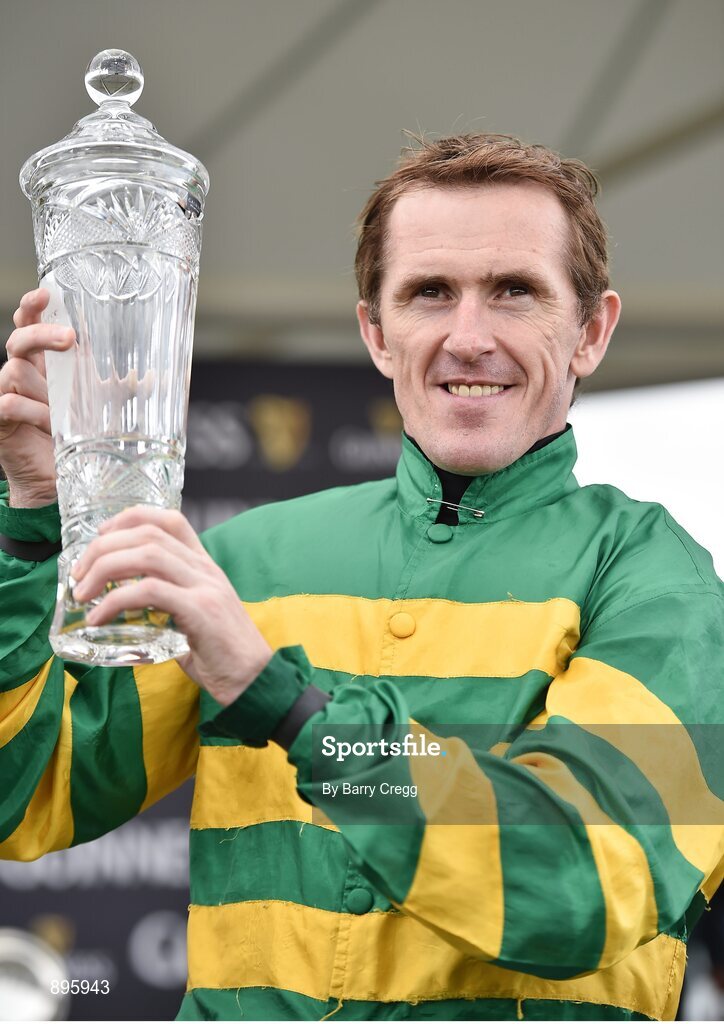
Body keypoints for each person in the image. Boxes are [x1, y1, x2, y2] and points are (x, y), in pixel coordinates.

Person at [0, 133, 722, 1022]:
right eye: (429, 293)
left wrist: (284, 704)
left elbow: (577, 880)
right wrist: (37, 525)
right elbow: (25, 794)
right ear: (375, 333)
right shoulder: (244, 561)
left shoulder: (659, 580)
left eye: (515, 292)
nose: (469, 337)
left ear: (591, 331)